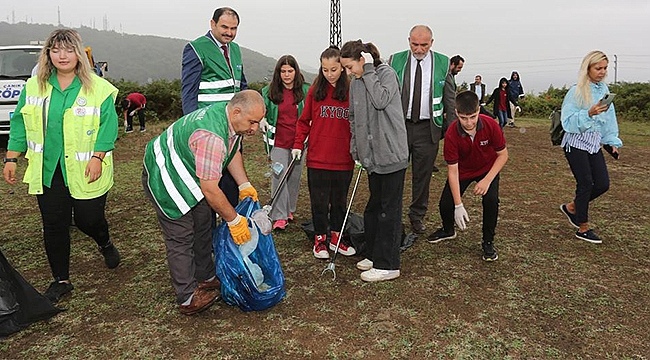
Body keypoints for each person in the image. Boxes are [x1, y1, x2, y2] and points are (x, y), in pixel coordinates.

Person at [2, 29, 121, 303]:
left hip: (87, 168)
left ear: (78, 54)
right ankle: (61, 280)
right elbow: (20, 122)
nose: (62, 55)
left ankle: (103, 240)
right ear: (47, 55)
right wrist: (11, 157)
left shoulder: (98, 88)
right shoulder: (35, 86)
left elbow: (108, 126)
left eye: (68, 50)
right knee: (53, 224)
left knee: (87, 219)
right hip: (48, 168)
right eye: (55, 50)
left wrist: (98, 157)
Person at [142, 90, 264, 315]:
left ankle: (206, 276)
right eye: (252, 122)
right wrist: (234, 220)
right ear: (237, 111)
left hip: (192, 170)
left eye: (258, 122)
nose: (255, 128)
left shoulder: (229, 118)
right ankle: (187, 296)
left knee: (202, 224)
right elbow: (210, 189)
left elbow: (233, 150)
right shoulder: (211, 137)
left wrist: (243, 184)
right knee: (181, 235)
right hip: (166, 174)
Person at [341, 40, 409, 282]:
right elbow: (352, 116)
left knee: (388, 212)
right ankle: (373, 252)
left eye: (350, 67)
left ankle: (388, 264)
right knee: (373, 209)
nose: (349, 73)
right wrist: (355, 147)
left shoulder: (385, 74)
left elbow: (380, 100)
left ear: (363, 59)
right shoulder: (356, 83)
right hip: (371, 157)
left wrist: (369, 71)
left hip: (391, 155)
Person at [427, 91, 509, 262]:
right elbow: (453, 171)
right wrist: (458, 205)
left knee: (491, 201)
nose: (469, 122)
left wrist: (487, 180)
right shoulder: (451, 133)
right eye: (464, 118)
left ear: (479, 110)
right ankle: (449, 230)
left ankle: (488, 241)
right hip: (463, 170)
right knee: (446, 204)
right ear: (456, 113)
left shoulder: (490, 125)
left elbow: (503, 155)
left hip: (487, 169)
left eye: (473, 117)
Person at [181, 6, 247, 208]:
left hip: (234, 129)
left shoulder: (235, 49)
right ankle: (207, 234)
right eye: (225, 27)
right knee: (208, 185)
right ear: (212, 24)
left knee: (231, 185)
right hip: (209, 131)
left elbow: (241, 86)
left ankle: (230, 230)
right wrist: (193, 128)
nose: (229, 32)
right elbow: (188, 92)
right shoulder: (196, 48)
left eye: (234, 28)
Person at [293, 46, 355, 260]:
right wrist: (297, 145)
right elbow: (303, 122)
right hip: (318, 158)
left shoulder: (351, 90)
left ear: (342, 67)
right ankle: (320, 239)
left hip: (343, 159)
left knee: (339, 201)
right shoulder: (315, 90)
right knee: (319, 201)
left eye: (334, 69)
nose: (329, 74)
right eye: (325, 69)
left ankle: (337, 237)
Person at [388, 25, 449, 235]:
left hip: (428, 129)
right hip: (400, 127)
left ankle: (417, 215)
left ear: (432, 42)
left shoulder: (443, 62)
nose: (419, 49)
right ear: (408, 41)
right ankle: (392, 215)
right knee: (394, 172)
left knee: (422, 176)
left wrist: (449, 131)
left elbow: (449, 97)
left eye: (424, 44)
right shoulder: (395, 60)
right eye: (415, 44)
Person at [558, 50, 622, 244]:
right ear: (588, 68)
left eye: (605, 68)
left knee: (602, 184)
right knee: (585, 183)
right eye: (598, 68)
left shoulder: (604, 90)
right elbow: (567, 121)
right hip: (575, 142)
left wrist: (611, 141)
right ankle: (582, 227)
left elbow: (609, 119)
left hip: (593, 142)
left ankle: (571, 207)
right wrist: (589, 113)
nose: (602, 72)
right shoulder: (576, 91)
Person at [259, 55, 310, 231]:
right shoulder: (268, 91)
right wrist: (261, 119)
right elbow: (261, 110)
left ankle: (289, 209)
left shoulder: (306, 90)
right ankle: (279, 216)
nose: (287, 75)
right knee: (279, 175)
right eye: (283, 71)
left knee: (293, 176)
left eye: (290, 71)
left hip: (298, 142)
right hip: (278, 141)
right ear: (278, 73)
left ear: (296, 72)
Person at [443, 54, 464, 125]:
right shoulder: (447, 77)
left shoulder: (451, 76)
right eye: (459, 67)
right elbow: (450, 98)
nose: (460, 70)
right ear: (452, 64)